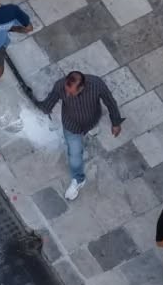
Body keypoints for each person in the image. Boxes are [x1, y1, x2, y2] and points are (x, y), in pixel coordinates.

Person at [38, 71, 122, 200]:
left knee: (90, 129)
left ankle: (89, 131)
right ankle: (78, 179)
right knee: (74, 154)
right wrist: (41, 108)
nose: (67, 95)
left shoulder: (96, 84)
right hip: (72, 126)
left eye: (71, 93)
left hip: (92, 119)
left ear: (82, 87)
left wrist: (116, 122)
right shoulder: (60, 85)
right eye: (66, 91)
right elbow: (48, 104)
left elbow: (110, 102)